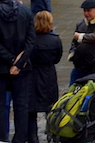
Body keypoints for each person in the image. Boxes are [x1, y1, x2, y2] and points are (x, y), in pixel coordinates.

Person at [0, 0, 35, 143]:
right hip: (22, 68)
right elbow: (31, 41)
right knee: (21, 106)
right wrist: (19, 63)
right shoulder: (26, 11)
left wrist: (11, 60)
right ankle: (20, 139)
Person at [27, 11, 61, 143]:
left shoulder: (31, 40)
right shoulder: (55, 40)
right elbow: (57, 58)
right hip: (48, 75)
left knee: (31, 110)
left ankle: (32, 137)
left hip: (32, 75)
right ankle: (52, 135)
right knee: (51, 108)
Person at [68, 0, 95, 85]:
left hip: (94, 68)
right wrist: (72, 53)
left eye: (89, 11)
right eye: (84, 11)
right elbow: (74, 42)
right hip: (79, 65)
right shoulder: (81, 24)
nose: (86, 13)